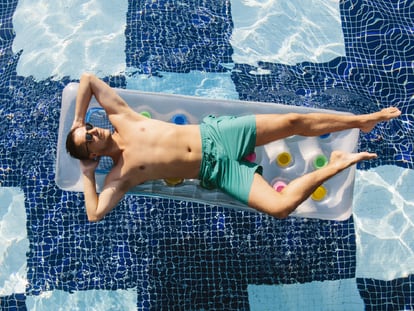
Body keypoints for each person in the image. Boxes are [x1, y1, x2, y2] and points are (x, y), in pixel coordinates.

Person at [66, 73, 401, 222]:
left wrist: (76, 123)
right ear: (94, 155)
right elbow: (94, 213)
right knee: (279, 208)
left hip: (219, 136)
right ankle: (337, 163)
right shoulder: (121, 175)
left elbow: (88, 80)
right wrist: (86, 174)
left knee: (292, 121)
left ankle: (362, 120)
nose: (94, 131)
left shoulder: (122, 117)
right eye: (89, 139)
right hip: (218, 171)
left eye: (90, 129)